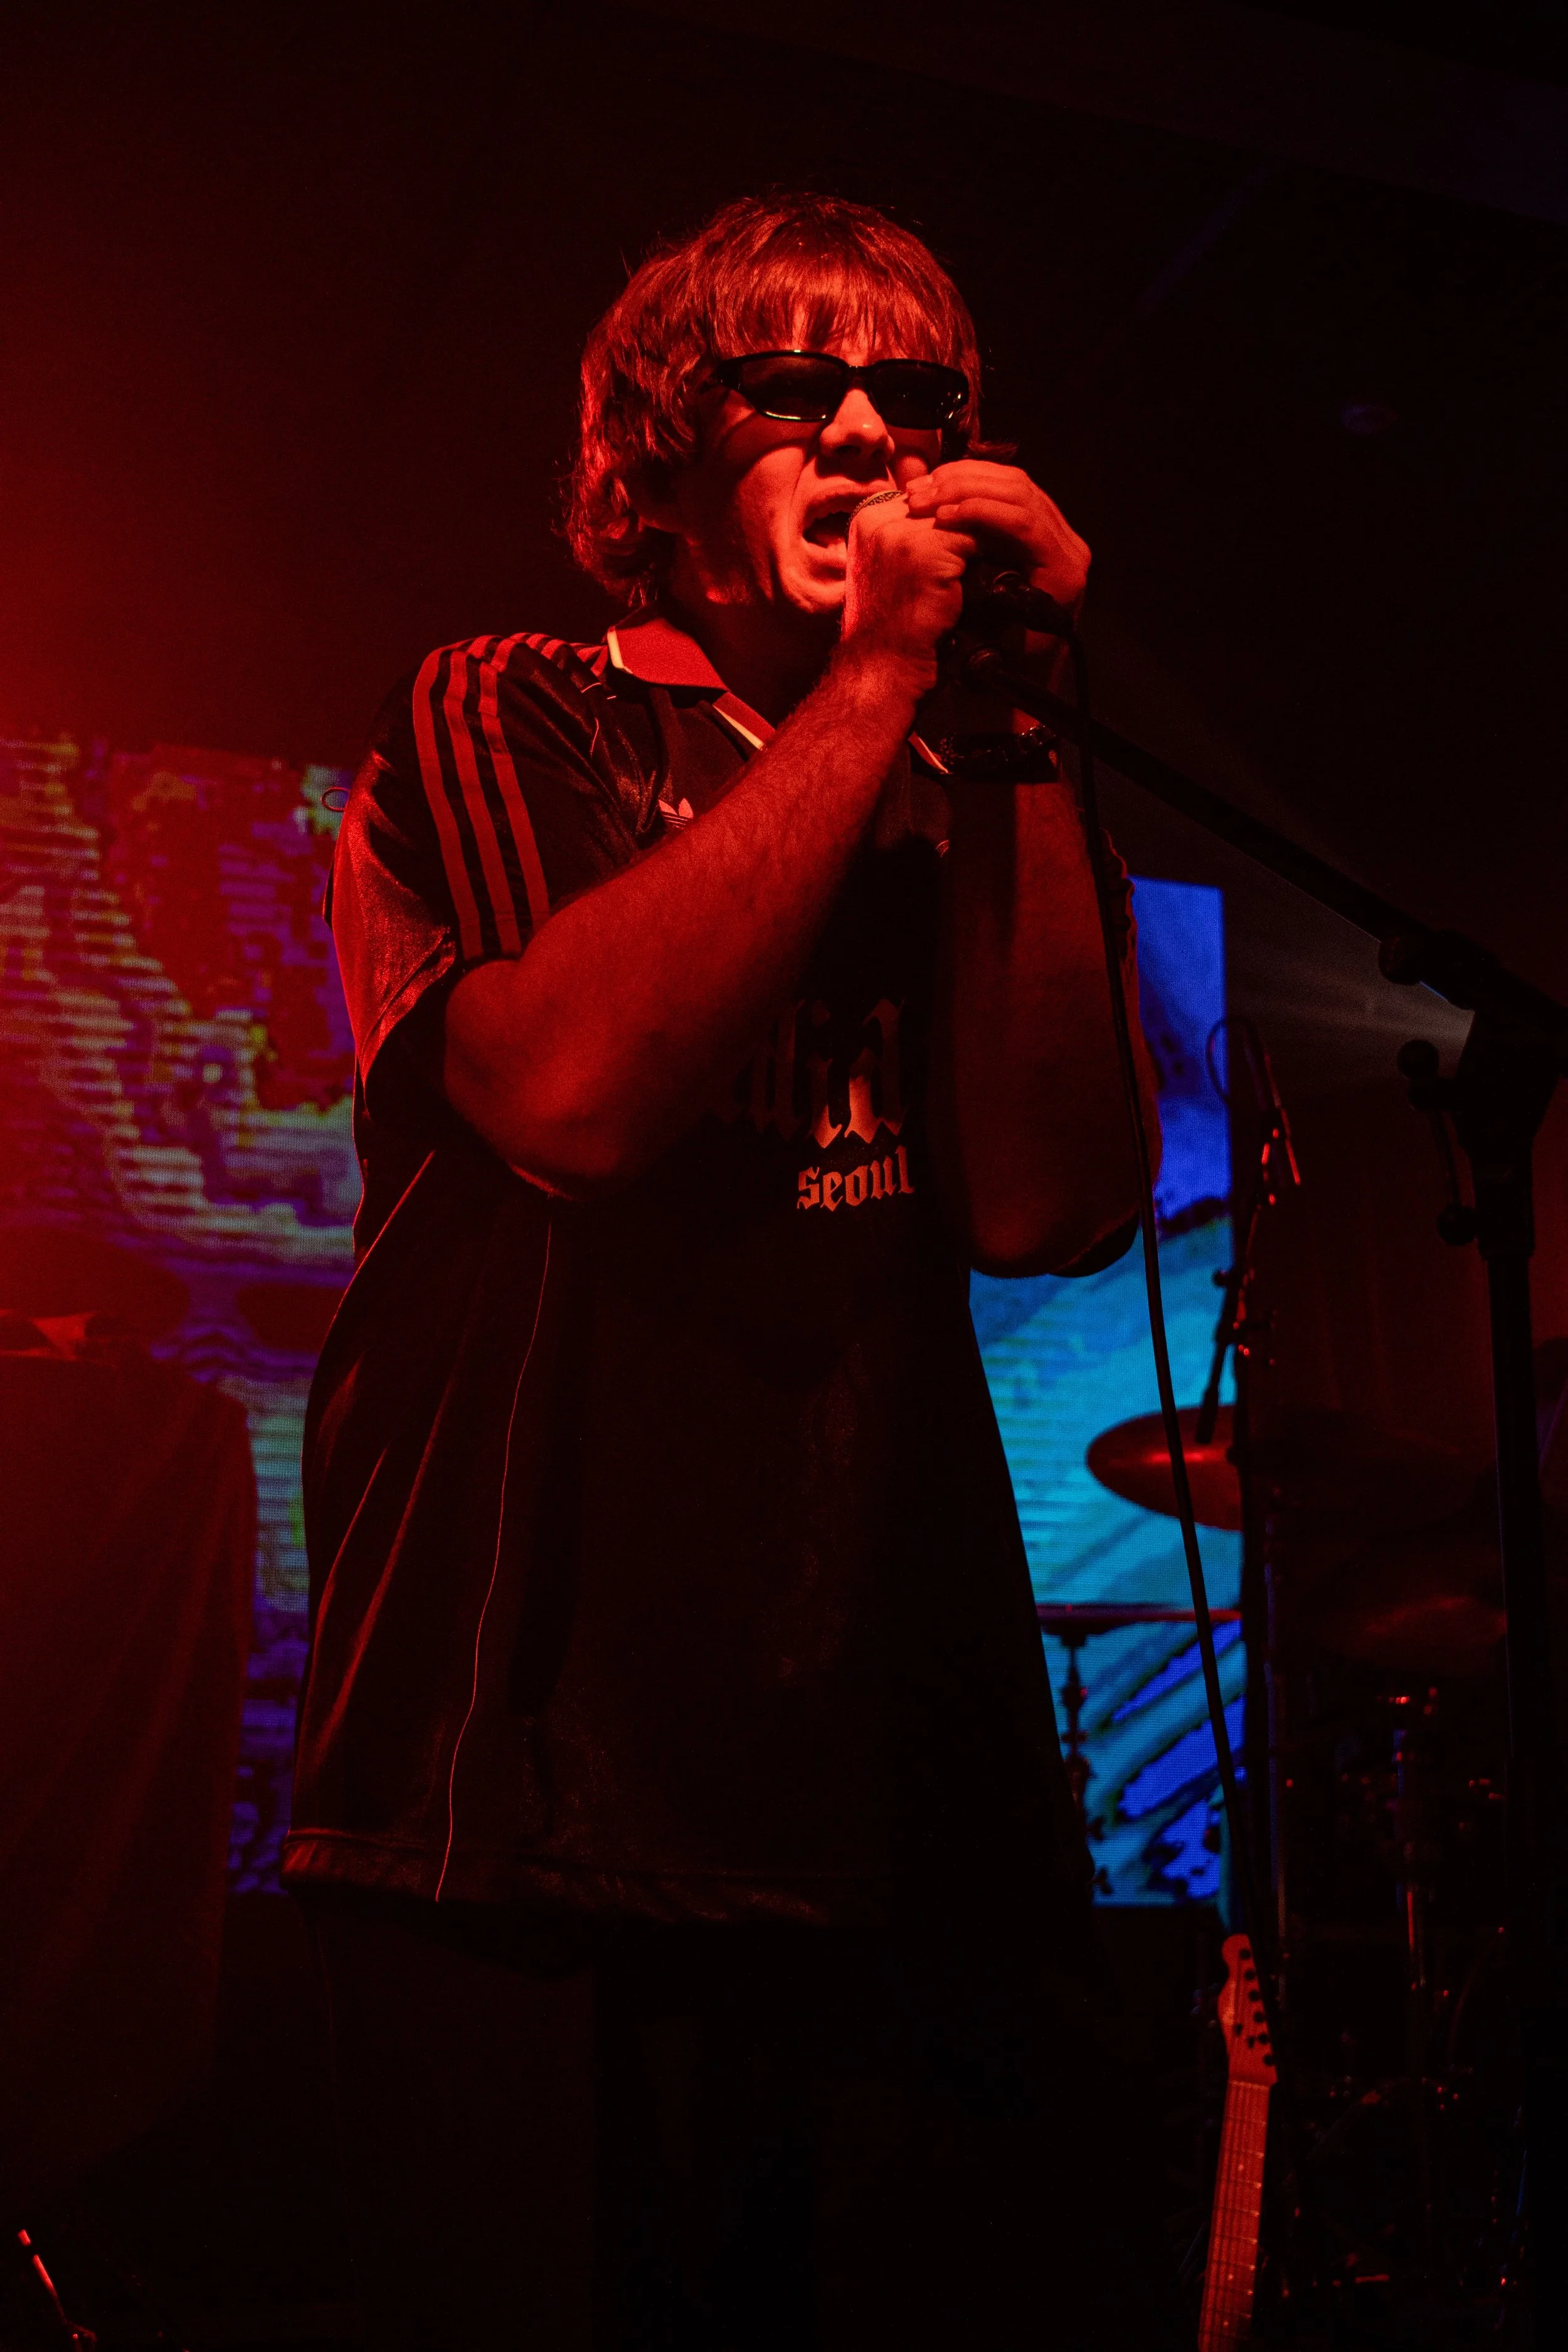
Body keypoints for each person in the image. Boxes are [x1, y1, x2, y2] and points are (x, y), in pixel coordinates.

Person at [283, 193, 1185, 2349]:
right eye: (797, 390)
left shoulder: (971, 779)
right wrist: (872, 683)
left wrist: (1009, 726)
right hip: (545, 1774)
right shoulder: (516, 706)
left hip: (900, 1761)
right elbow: (576, 1099)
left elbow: (1050, 1204)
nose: (872, 436)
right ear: (657, 465)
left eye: (919, 398)